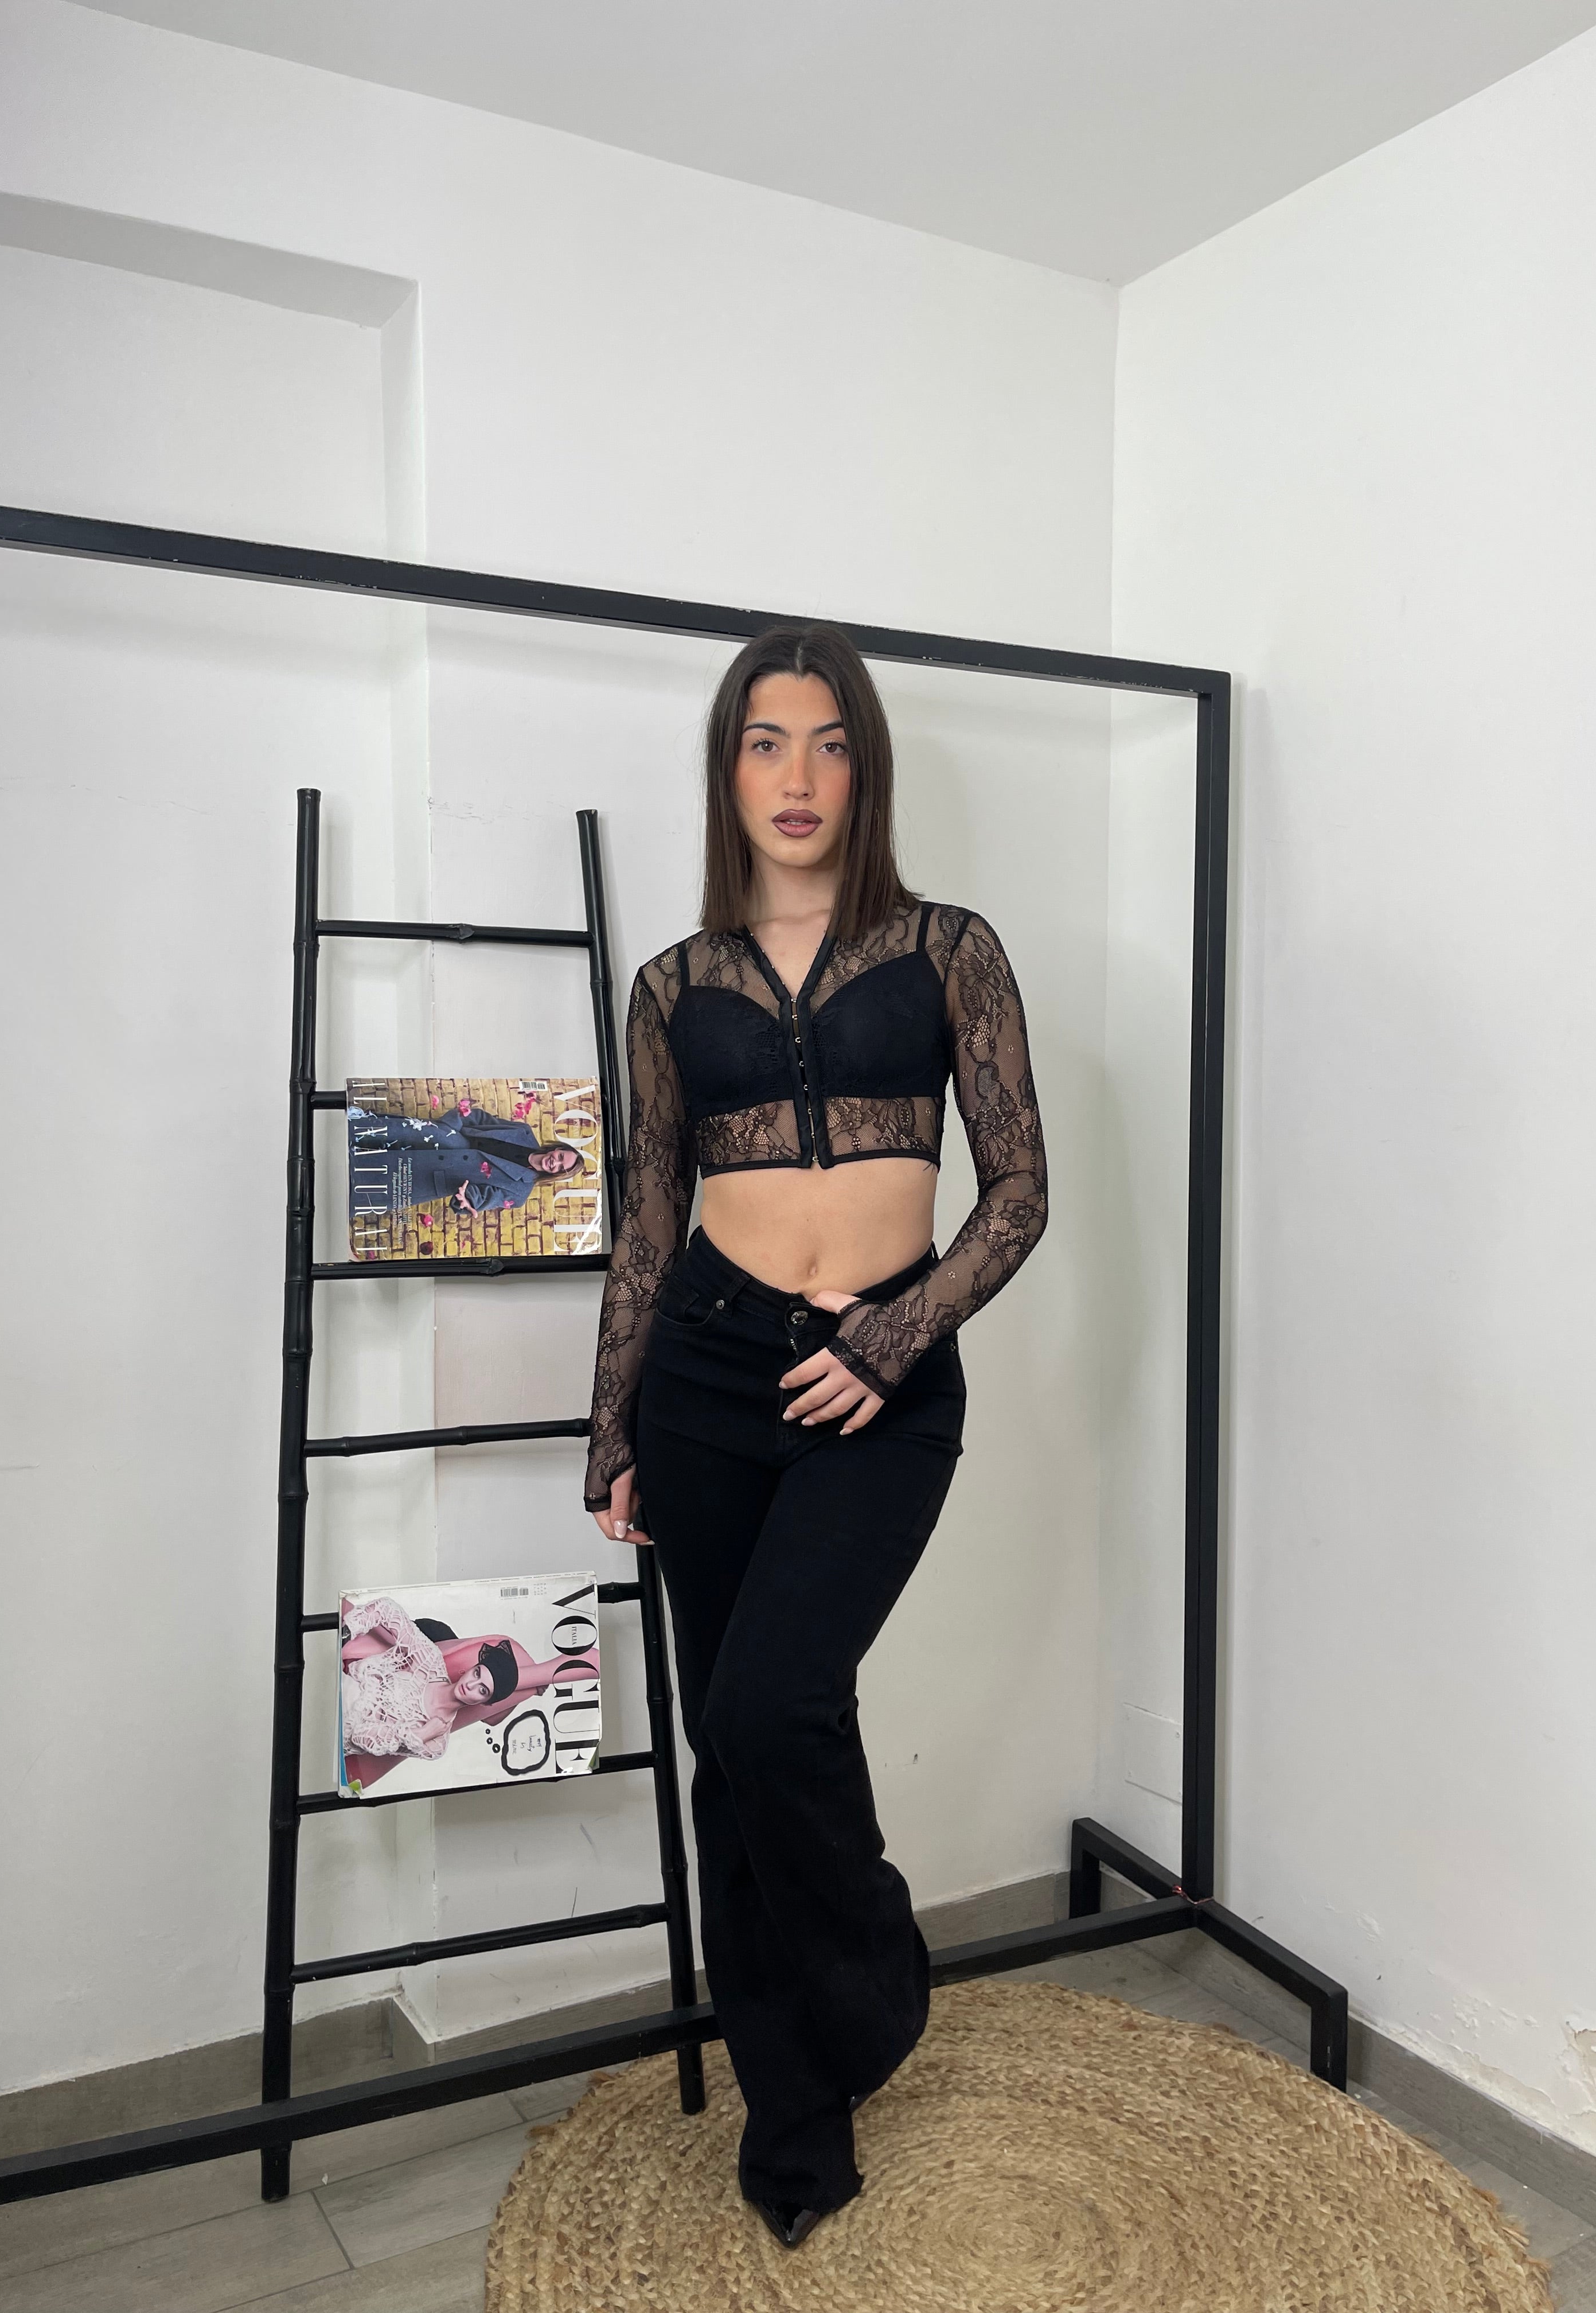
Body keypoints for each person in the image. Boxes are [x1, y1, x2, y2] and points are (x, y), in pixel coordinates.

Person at [584, 622, 1046, 2249]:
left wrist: (895, 1337)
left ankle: (873, 1976)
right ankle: (795, 2114)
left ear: (868, 768)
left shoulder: (948, 950)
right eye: (766, 742)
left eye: (830, 742)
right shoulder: (672, 987)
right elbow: (649, 1222)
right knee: (736, 1752)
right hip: (705, 1379)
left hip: (882, 1388)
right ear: (728, 771)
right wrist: (612, 1427)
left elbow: (1018, 1192)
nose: (798, 776)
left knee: (772, 1706)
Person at [338, 1598, 598, 1786]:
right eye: (476, 1674)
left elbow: (359, 1738)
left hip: (334, 1728)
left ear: (485, 1702)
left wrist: (420, 1734)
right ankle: (551, 1673)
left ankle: (555, 1672)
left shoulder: (436, 1743)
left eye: (482, 1690)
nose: (471, 1686)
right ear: (470, 1669)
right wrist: (351, 1629)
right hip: (335, 1680)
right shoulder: (429, 1662)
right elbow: (386, 1609)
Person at [348, 1099, 585, 1220]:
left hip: (439, 1174)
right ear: (557, 1149)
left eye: (560, 1168)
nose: (555, 1162)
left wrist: (467, 1200)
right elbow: (481, 1119)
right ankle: (344, 1131)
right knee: (387, 1133)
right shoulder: (523, 1132)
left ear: (556, 1175)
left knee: (372, 1179)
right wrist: (450, 1126)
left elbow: (484, 1198)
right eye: (560, 1157)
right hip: (439, 1138)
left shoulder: (520, 1192)